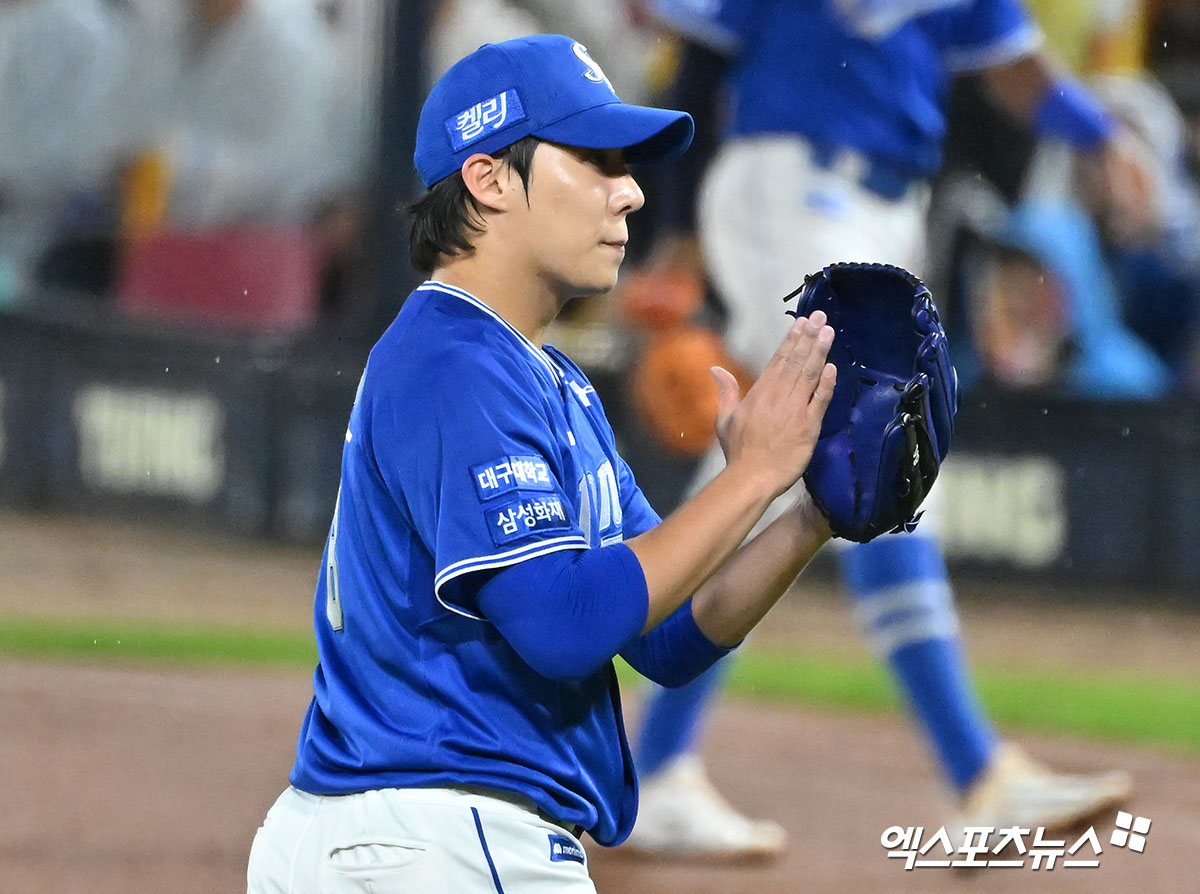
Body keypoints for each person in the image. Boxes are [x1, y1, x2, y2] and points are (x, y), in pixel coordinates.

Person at [247, 33, 843, 891]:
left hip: (397, 838)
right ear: (488, 178)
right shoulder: (456, 362)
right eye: (595, 159)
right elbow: (565, 628)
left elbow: (670, 634)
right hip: (441, 839)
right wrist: (750, 474)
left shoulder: (540, 380)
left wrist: (810, 513)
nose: (632, 191)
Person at [618, 0, 1136, 860]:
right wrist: (674, 235)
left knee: (766, 463)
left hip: (885, 203)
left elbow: (1010, 58)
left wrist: (1097, 135)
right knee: (868, 432)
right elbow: (702, 54)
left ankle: (657, 769)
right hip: (795, 181)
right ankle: (981, 776)